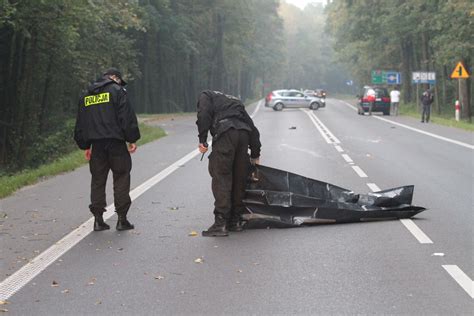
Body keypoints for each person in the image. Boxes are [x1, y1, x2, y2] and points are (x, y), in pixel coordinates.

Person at [74, 68, 140, 231]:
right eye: (119, 80)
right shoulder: (117, 91)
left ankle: (98, 220)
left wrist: (85, 145)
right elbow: (126, 118)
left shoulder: (86, 95)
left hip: (96, 146)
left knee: (97, 180)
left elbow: (81, 123)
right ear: (114, 78)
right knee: (121, 177)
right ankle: (122, 219)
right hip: (116, 143)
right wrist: (131, 138)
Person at [196, 90, 261, 237]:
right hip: (243, 135)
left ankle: (221, 223)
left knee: (222, 177)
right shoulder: (234, 100)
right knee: (239, 178)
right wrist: (255, 154)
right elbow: (252, 127)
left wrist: (202, 139)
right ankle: (235, 221)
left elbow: (203, 115)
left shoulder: (205, 96)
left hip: (226, 135)